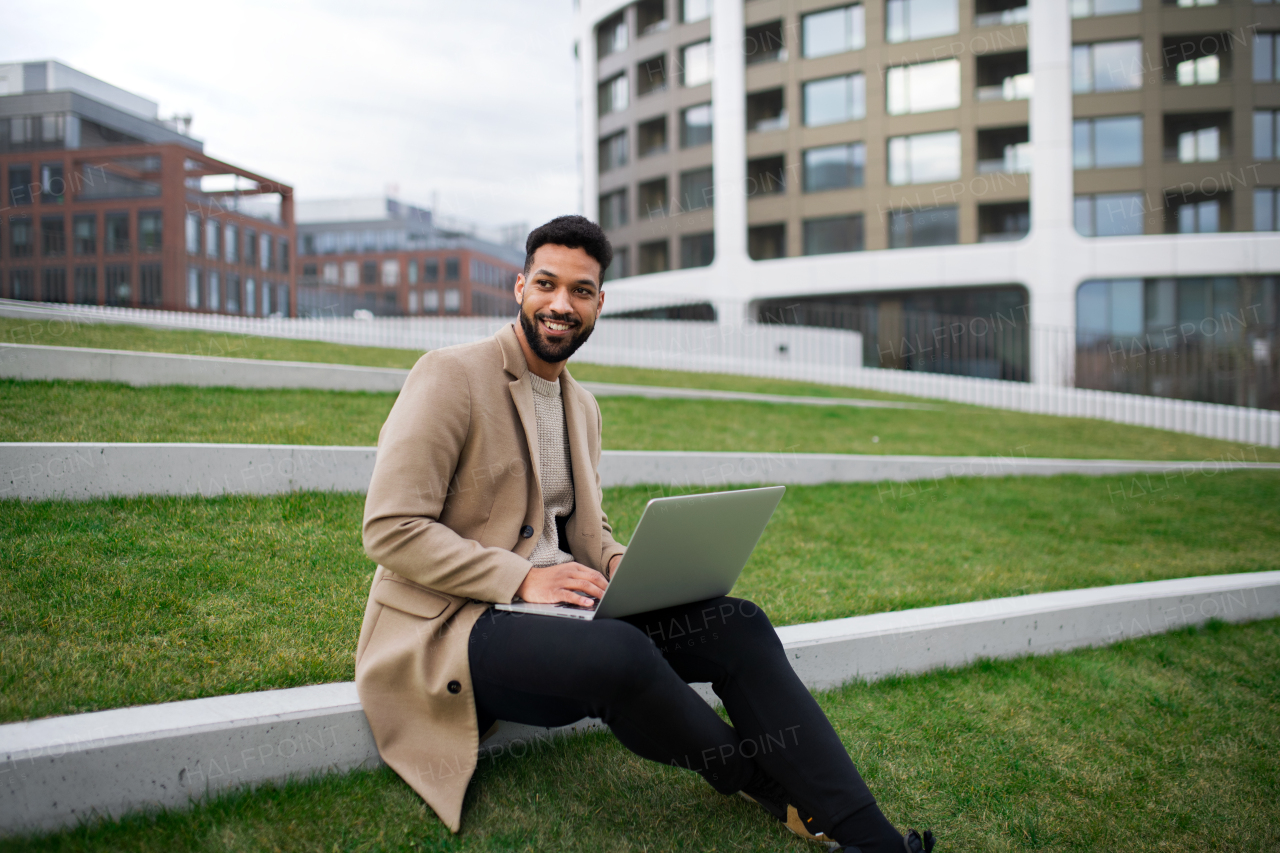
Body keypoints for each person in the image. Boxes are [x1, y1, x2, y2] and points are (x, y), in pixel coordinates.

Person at [354, 215, 936, 853]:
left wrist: (618, 559)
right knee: (621, 655)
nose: (560, 304)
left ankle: (874, 840)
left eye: (580, 291)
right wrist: (523, 577)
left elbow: (581, 524)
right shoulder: (450, 375)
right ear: (519, 286)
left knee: (737, 623)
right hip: (459, 625)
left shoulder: (582, 405)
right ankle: (762, 782)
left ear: (599, 304)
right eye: (546, 284)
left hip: (564, 608)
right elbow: (391, 529)